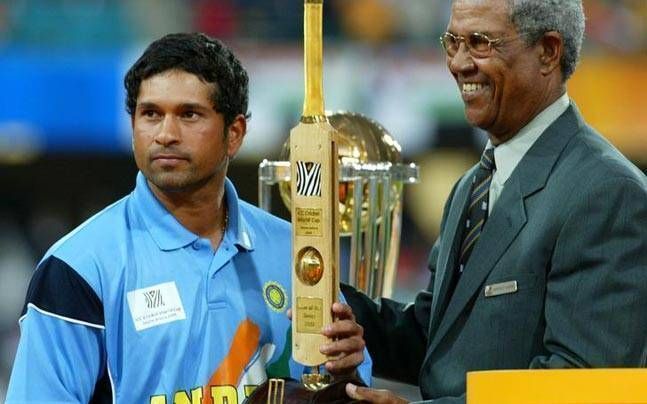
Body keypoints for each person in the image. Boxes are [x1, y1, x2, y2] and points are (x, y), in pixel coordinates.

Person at [6, 33, 370, 404]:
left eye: (189, 114)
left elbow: (338, 392)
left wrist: (347, 374)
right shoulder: (78, 268)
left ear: (235, 133)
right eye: (150, 114)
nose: (165, 134)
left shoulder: (297, 253)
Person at [342, 0, 647, 402]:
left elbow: (582, 385)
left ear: (548, 52)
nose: (459, 63)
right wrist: (346, 317)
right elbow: (438, 338)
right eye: (452, 42)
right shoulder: (472, 186)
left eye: (480, 43)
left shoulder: (608, 192)